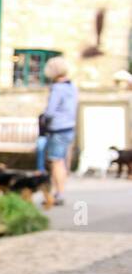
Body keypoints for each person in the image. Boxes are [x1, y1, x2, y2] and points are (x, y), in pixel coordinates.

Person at [41, 56, 77, 205]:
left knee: (56, 161)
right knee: (62, 160)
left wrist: (44, 120)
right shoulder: (72, 86)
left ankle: (59, 193)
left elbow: (50, 111)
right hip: (69, 126)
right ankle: (59, 191)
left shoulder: (58, 88)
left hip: (58, 128)